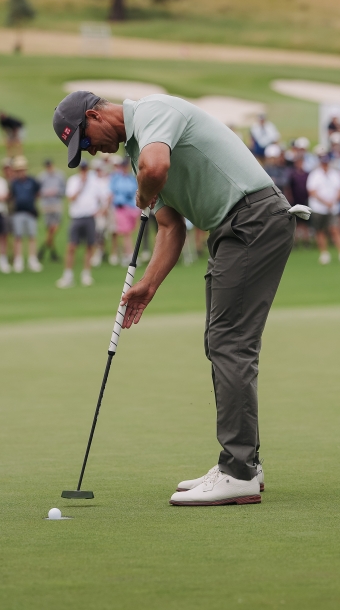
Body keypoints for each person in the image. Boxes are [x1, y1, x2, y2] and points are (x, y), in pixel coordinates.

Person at [53, 89, 296, 506]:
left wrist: (143, 193)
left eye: (86, 141)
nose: (91, 151)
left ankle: (237, 471)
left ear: (95, 115)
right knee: (222, 342)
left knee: (229, 342)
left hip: (253, 219)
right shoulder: (138, 154)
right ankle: (243, 465)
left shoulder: (154, 113)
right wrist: (148, 284)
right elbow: (170, 227)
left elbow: (157, 168)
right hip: (232, 229)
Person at [57, 158, 108, 287]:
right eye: (82, 168)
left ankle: (86, 274)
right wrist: (81, 185)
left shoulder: (95, 181)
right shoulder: (73, 181)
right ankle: (68, 275)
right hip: (76, 217)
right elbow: (71, 198)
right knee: (71, 246)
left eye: (85, 168)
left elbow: (104, 197)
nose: (84, 171)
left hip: (90, 217)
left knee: (90, 246)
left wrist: (102, 210)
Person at [306, 151, 340, 264]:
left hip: (333, 208)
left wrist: (333, 201)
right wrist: (326, 202)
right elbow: (312, 191)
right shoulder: (314, 174)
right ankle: (324, 254)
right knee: (320, 230)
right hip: (318, 208)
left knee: (335, 229)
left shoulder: (335, 174)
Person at [107, 157, 139, 267]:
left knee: (129, 232)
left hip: (131, 208)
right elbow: (111, 193)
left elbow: (135, 193)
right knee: (125, 233)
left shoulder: (131, 179)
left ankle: (128, 254)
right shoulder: (116, 178)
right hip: (120, 208)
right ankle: (128, 255)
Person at [37, 158, 65, 264]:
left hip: (56, 204)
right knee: (49, 228)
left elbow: (64, 190)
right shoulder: (42, 177)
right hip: (46, 205)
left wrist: (56, 191)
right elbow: (38, 191)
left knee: (54, 227)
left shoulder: (59, 176)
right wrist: (46, 192)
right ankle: (53, 253)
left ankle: (43, 248)